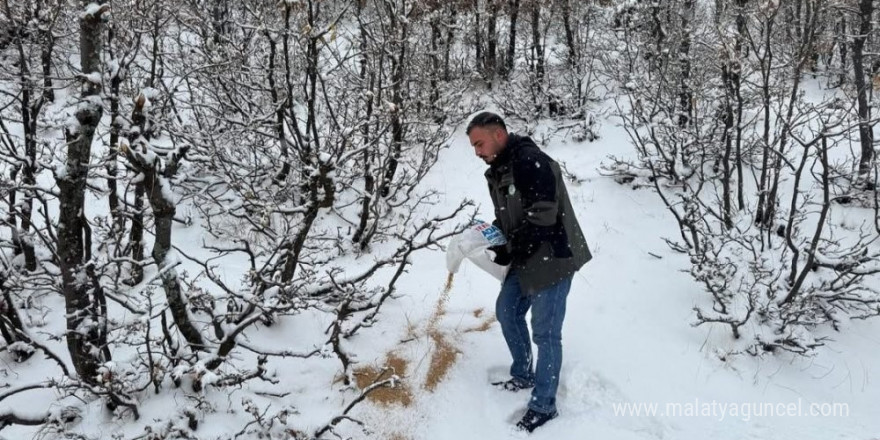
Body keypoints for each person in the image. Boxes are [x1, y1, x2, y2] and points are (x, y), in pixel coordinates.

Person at [467, 112, 592, 433]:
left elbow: (543, 217)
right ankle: (523, 374)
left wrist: (511, 247)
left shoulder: (530, 162)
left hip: (555, 254)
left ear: (498, 135)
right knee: (507, 311)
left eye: (479, 143)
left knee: (546, 333)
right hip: (528, 253)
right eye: (473, 146)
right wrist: (492, 234)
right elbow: (512, 214)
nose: (477, 151)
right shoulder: (499, 169)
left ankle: (544, 405)